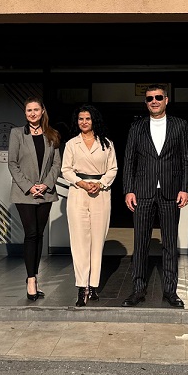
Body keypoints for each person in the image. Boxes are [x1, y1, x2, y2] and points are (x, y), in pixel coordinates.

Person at [122, 84, 188, 308]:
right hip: (142, 192)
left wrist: (185, 188)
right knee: (140, 243)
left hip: (171, 192)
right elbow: (129, 160)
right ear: (146, 102)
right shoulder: (137, 127)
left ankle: (171, 291)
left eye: (158, 97)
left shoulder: (180, 125)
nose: (154, 101)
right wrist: (128, 189)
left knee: (170, 244)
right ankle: (138, 289)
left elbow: (187, 159)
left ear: (166, 100)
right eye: (150, 98)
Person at [61, 104, 118, 307]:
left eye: (87, 118)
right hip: (78, 192)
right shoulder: (71, 144)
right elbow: (66, 169)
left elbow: (113, 169)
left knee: (97, 240)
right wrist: (81, 183)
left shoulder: (107, 144)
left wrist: (100, 183)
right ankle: (81, 286)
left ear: (94, 120)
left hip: (101, 193)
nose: (84, 122)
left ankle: (93, 285)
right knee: (79, 242)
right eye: (81, 119)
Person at [8, 96, 61, 301]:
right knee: (31, 233)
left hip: (45, 192)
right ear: (25, 113)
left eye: (36, 110)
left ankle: (35, 275)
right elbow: (12, 163)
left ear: (42, 111)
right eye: (29, 110)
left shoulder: (52, 134)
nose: (32, 113)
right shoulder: (17, 134)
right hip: (24, 193)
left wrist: (45, 185)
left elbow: (56, 164)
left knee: (39, 234)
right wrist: (30, 187)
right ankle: (31, 279)